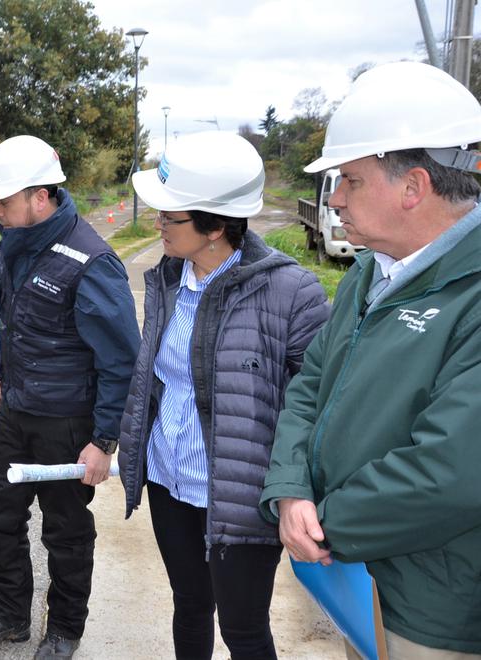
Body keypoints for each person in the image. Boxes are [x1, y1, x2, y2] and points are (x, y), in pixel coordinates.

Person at [259, 61, 481, 657]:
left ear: (413, 187)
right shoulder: (368, 275)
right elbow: (310, 386)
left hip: (435, 609)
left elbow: (451, 474)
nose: (334, 198)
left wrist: (321, 522)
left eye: (350, 180)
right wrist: (288, 490)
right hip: (360, 581)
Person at [119, 132, 330, 659]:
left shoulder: (291, 293)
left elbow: (319, 404)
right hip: (169, 478)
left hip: (238, 494)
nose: (159, 224)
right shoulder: (167, 280)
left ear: (215, 227)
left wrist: (296, 487)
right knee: (189, 605)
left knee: (243, 630)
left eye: (171, 217)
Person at [0, 135, 140, 659]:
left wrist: (103, 442)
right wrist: (0, 373)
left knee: (64, 531)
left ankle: (63, 629)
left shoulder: (91, 260)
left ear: (41, 196)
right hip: (16, 413)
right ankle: (11, 615)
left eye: (4, 200)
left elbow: (121, 361)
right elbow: (10, 322)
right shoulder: (9, 248)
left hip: (67, 423)